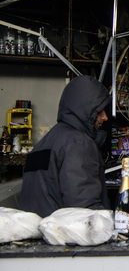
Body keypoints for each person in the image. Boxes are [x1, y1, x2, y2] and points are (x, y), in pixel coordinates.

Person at [19, 75, 111, 217]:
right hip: (66, 235)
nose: (104, 117)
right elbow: (84, 209)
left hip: (39, 232)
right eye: (99, 111)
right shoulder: (78, 143)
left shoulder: (45, 143)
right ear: (85, 110)